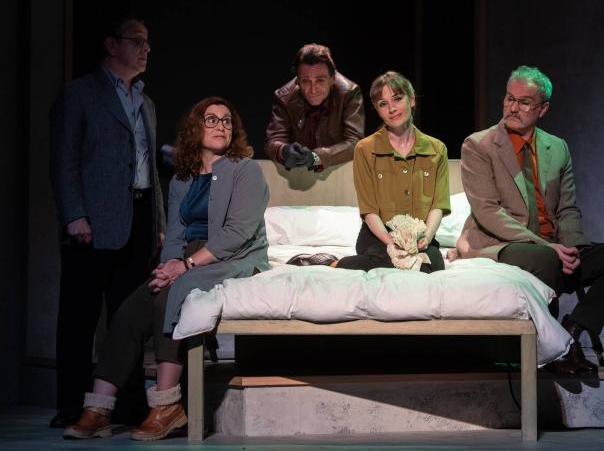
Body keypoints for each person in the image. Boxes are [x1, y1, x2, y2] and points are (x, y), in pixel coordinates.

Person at [63, 96, 270, 440]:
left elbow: (238, 233)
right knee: (130, 311)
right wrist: (166, 268)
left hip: (233, 256)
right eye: (211, 119)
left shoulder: (245, 170)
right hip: (187, 257)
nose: (221, 126)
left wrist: (185, 265)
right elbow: (174, 235)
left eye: (227, 121)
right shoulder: (181, 179)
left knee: (171, 298)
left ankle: (166, 404)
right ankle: (98, 408)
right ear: (195, 128)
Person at [49, 17, 165, 428]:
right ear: (112, 45)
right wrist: (75, 215)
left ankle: (128, 405)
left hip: (138, 219)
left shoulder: (146, 102)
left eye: (148, 42)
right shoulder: (80, 93)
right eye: (138, 41)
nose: (146, 48)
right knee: (79, 319)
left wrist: (158, 222)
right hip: (92, 224)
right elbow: (64, 160)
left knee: (127, 319)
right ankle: (70, 406)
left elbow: (149, 168)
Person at [455, 65, 604, 375]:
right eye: (509, 98)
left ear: (543, 109)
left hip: (552, 248)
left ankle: (575, 328)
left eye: (524, 102)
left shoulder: (557, 147)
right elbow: (487, 212)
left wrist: (573, 248)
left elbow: (567, 209)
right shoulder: (478, 145)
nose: (513, 107)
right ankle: (557, 351)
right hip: (502, 243)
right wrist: (547, 247)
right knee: (546, 260)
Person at [289, 71, 449, 272]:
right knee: (395, 261)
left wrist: (427, 236)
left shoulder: (437, 149)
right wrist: (391, 242)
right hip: (378, 236)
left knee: (433, 265)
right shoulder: (365, 149)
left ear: (412, 99)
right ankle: (331, 263)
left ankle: (358, 262)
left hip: (418, 237)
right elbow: (369, 210)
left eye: (397, 99)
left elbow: (438, 205)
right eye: (383, 104)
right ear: (378, 110)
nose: (391, 108)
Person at [265, 43, 365, 171]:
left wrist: (318, 157)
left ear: (332, 79)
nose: (313, 90)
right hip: (297, 175)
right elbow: (273, 141)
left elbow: (355, 143)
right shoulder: (284, 98)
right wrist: (283, 151)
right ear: (297, 81)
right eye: (305, 81)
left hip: (340, 172)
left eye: (320, 80)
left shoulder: (349, 93)